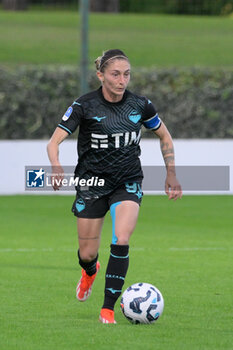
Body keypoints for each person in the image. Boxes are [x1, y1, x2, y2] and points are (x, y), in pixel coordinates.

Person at [47, 49, 182, 324]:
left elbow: (164, 136)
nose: (122, 80)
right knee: (87, 253)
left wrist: (171, 173)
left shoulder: (141, 105)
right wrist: (56, 167)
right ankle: (89, 271)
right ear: (101, 75)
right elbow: (53, 142)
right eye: (115, 74)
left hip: (128, 181)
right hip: (91, 183)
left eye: (127, 74)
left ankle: (108, 308)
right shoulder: (84, 106)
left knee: (121, 239)